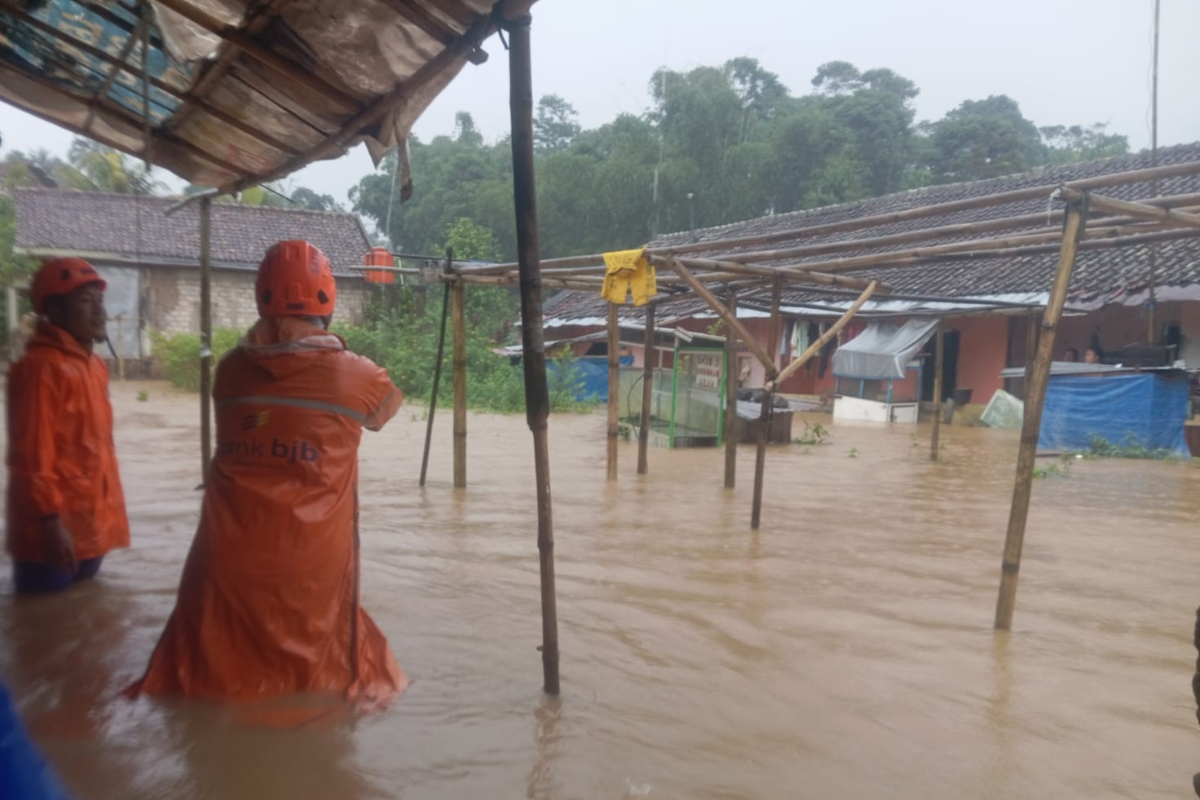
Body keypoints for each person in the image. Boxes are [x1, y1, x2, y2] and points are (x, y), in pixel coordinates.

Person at [128, 241, 406, 707]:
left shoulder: (229, 371)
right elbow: (383, 412)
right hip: (308, 561)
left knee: (214, 677)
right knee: (313, 685)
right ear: (328, 302)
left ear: (260, 297)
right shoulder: (358, 376)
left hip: (224, 554)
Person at [6, 258, 129, 594]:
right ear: (56, 314)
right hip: (50, 532)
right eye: (86, 303)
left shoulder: (94, 366)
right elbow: (31, 457)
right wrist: (50, 521)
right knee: (42, 628)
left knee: (81, 622)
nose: (99, 312)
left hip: (91, 525)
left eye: (100, 302)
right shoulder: (40, 369)